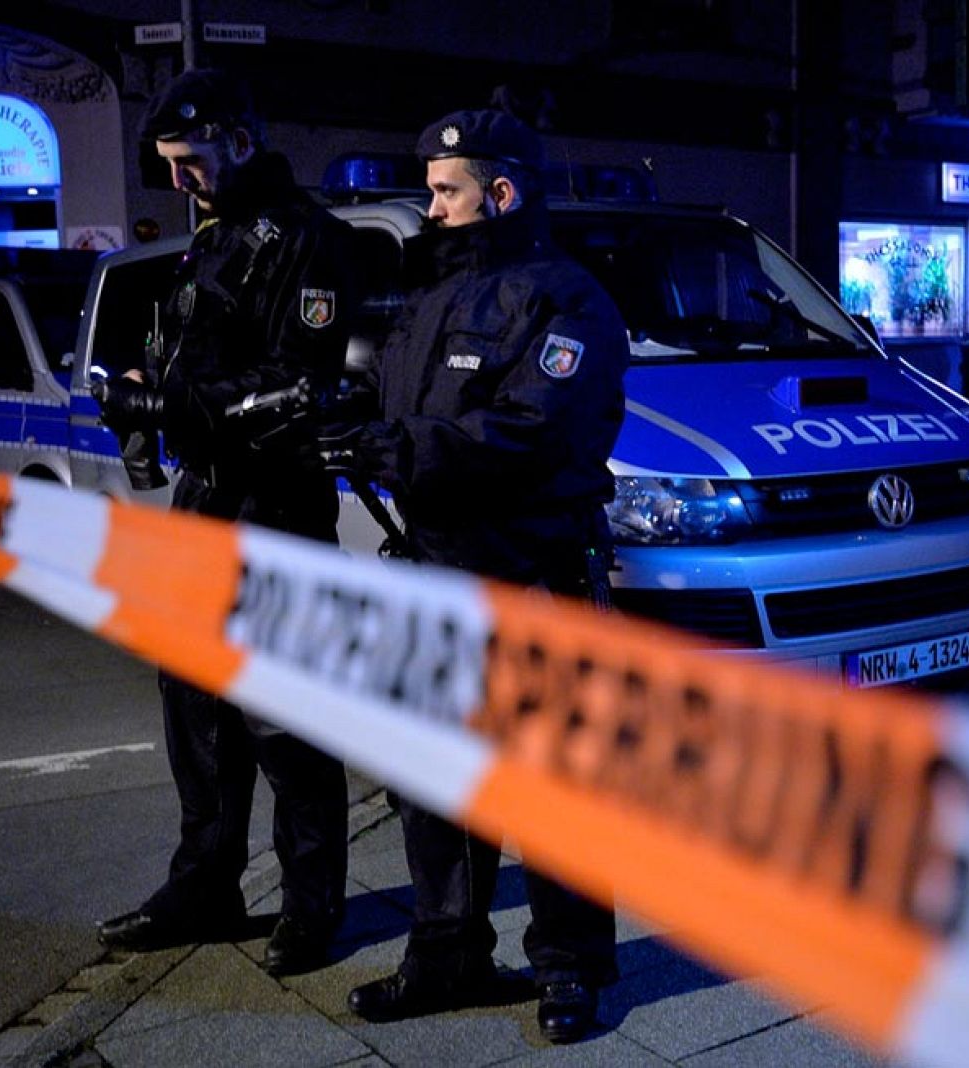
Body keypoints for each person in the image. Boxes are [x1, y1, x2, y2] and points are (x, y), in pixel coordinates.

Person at [324, 109, 627, 1044]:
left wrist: (400, 445)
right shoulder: (432, 299)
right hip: (441, 576)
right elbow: (414, 410)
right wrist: (354, 421)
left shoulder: (567, 299)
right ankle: (447, 958)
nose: (431, 205)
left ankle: (569, 968)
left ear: (501, 192)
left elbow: (538, 433)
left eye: (445, 189)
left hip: (535, 576)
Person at [91, 68, 354, 978]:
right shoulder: (211, 238)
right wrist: (139, 399)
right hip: (204, 507)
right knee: (194, 707)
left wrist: (169, 404)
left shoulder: (310, 240)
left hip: (274, 511)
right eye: (167, 164)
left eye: (190, 161)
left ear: (240, 139)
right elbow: (193, 366)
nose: (177, 181)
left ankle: (313, 907)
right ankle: (205, 886)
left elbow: (295, 391)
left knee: (284, 721)